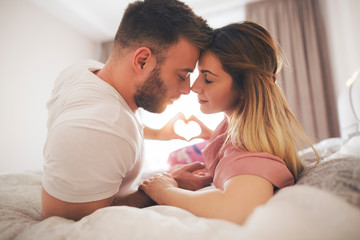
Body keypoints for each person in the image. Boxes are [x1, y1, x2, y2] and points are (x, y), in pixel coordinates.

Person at [41, 0, 213, 221]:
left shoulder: (83, 70)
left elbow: (106, 126)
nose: (188, 88)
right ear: (142, 61)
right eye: (182, 75)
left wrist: (158, 135)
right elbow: (68, 220)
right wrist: (170, 184)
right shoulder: (102, 126)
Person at [140, 21, 319, 225]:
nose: (194, 87)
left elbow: (238, 209)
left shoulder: (247, 150)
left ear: (244, 88)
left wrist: (164, 191)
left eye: (207, 79)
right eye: (199, 75)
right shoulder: (236, 127)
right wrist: (209, 135)